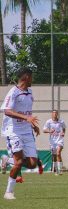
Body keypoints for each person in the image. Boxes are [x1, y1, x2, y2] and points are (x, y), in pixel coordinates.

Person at [1, 68, 43, 200]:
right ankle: (8, 192)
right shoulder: (13, 92)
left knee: (32, 163)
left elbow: (27, 113)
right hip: (13, 131)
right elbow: (6, 111)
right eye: (31, 77)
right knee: (19, 162)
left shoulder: (30, 93)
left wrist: (32, 125)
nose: (32, 80)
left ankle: (7, 161)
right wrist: (26, 119)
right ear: (26, 77)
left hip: (26, 131)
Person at [43, 110, 66, 175]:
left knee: (58, 153)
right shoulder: (48, 121)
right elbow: (44, 130)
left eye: (56, 114)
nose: (55, 115)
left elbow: (64, 128)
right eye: (53, 114)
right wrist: (49, 131)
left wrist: (63, 133)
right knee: (54, 155)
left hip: (59, 140)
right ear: (52, 115)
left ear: (57, 114)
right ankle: (56, 170)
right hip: (52, 141)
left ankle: (60, 170)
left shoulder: (61, 121)